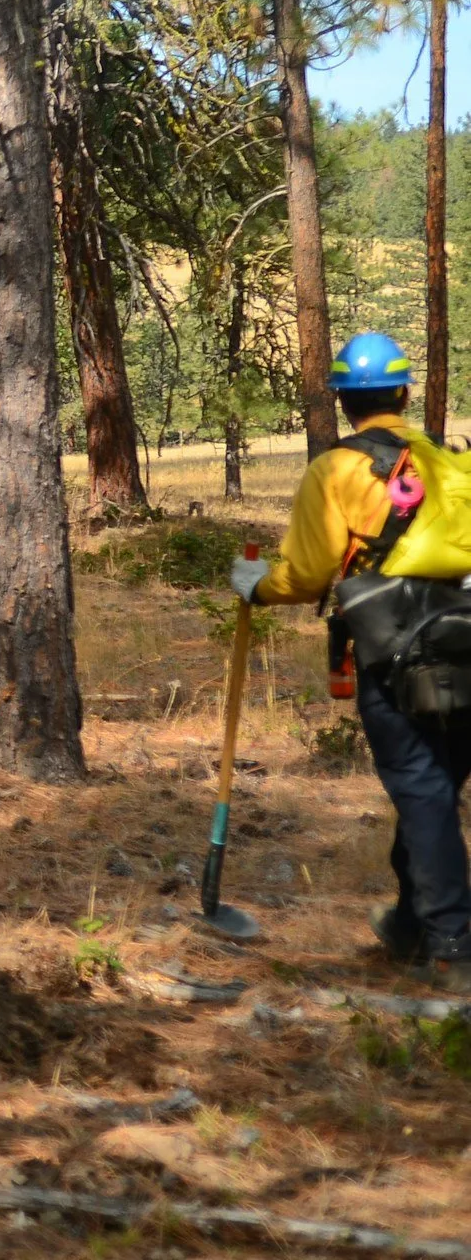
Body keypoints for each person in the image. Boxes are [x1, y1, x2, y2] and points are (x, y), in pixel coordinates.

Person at [235, 331, 471, 983]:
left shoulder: (334, 470)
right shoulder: (449, 458)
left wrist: (258, 587)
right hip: (466, 638)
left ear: (343, 402)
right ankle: (411, 926)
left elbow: (310, 573)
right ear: (405, 394)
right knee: (435, 785)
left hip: (395, 650)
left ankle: (452, 946)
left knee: (421, 787)